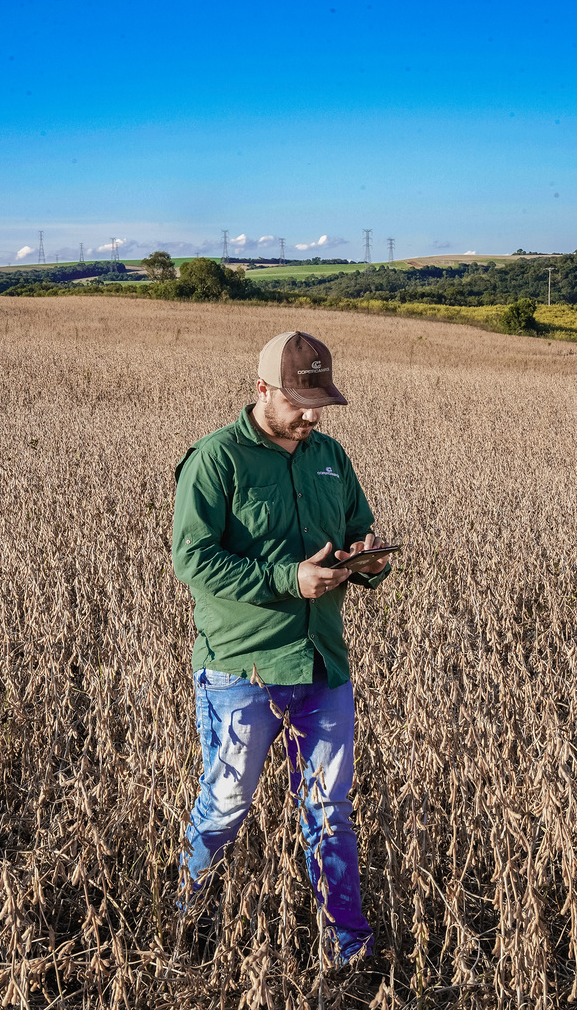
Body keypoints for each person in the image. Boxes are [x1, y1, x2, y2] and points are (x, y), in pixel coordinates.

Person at [171, 330, 391, 964]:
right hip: (243, 668)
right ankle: (192, 924)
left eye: (321, 400)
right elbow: (193, 560)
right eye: (300, 401)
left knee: (331, 809)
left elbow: (356, 528)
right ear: (260, 390)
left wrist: (369, 562)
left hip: (323, 663)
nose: (313, 415)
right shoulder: (216, 460)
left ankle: (348, 948)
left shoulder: (331, 456)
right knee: (227, 801)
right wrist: (286, 579)